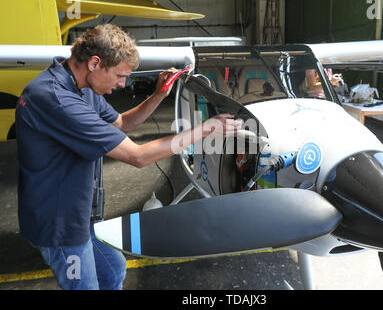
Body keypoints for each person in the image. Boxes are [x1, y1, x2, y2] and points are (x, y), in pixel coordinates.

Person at [15, 24, 242, 290]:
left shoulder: (82, 86)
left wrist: (159, 94)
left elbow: (120, 123)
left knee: (113, 269)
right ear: (95, 63)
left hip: (81, 214)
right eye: (120, 76)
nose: (123, 84)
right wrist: (205, 129)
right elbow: (137, 156)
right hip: (60, 225)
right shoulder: (56, 99)